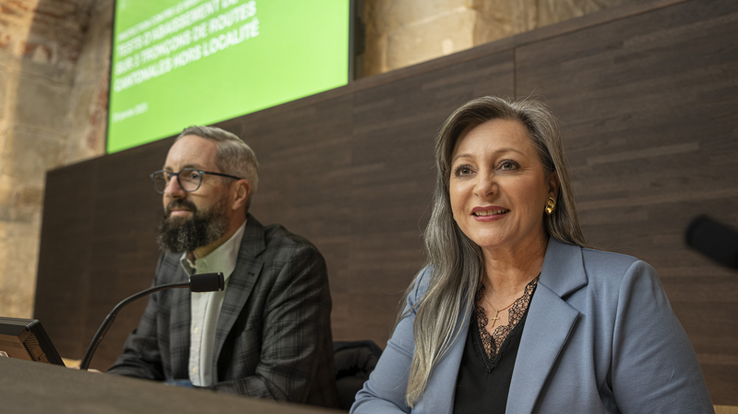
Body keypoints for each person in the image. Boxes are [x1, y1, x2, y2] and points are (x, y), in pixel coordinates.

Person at [351, 97, 714, 413]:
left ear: (550, 188)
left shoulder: (621, 291)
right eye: (465, 170)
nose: (483, 187)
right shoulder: (432, 286)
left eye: (507, 165)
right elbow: (374, 402)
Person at [107, 126, 339, 408]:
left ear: (238, 193)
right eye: (168, 176)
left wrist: (168, 400)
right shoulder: (171, 263)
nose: (171, 191)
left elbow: (276, 392)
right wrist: (104, 391)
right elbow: (140, 361)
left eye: (192, 175)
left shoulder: (292, 262)